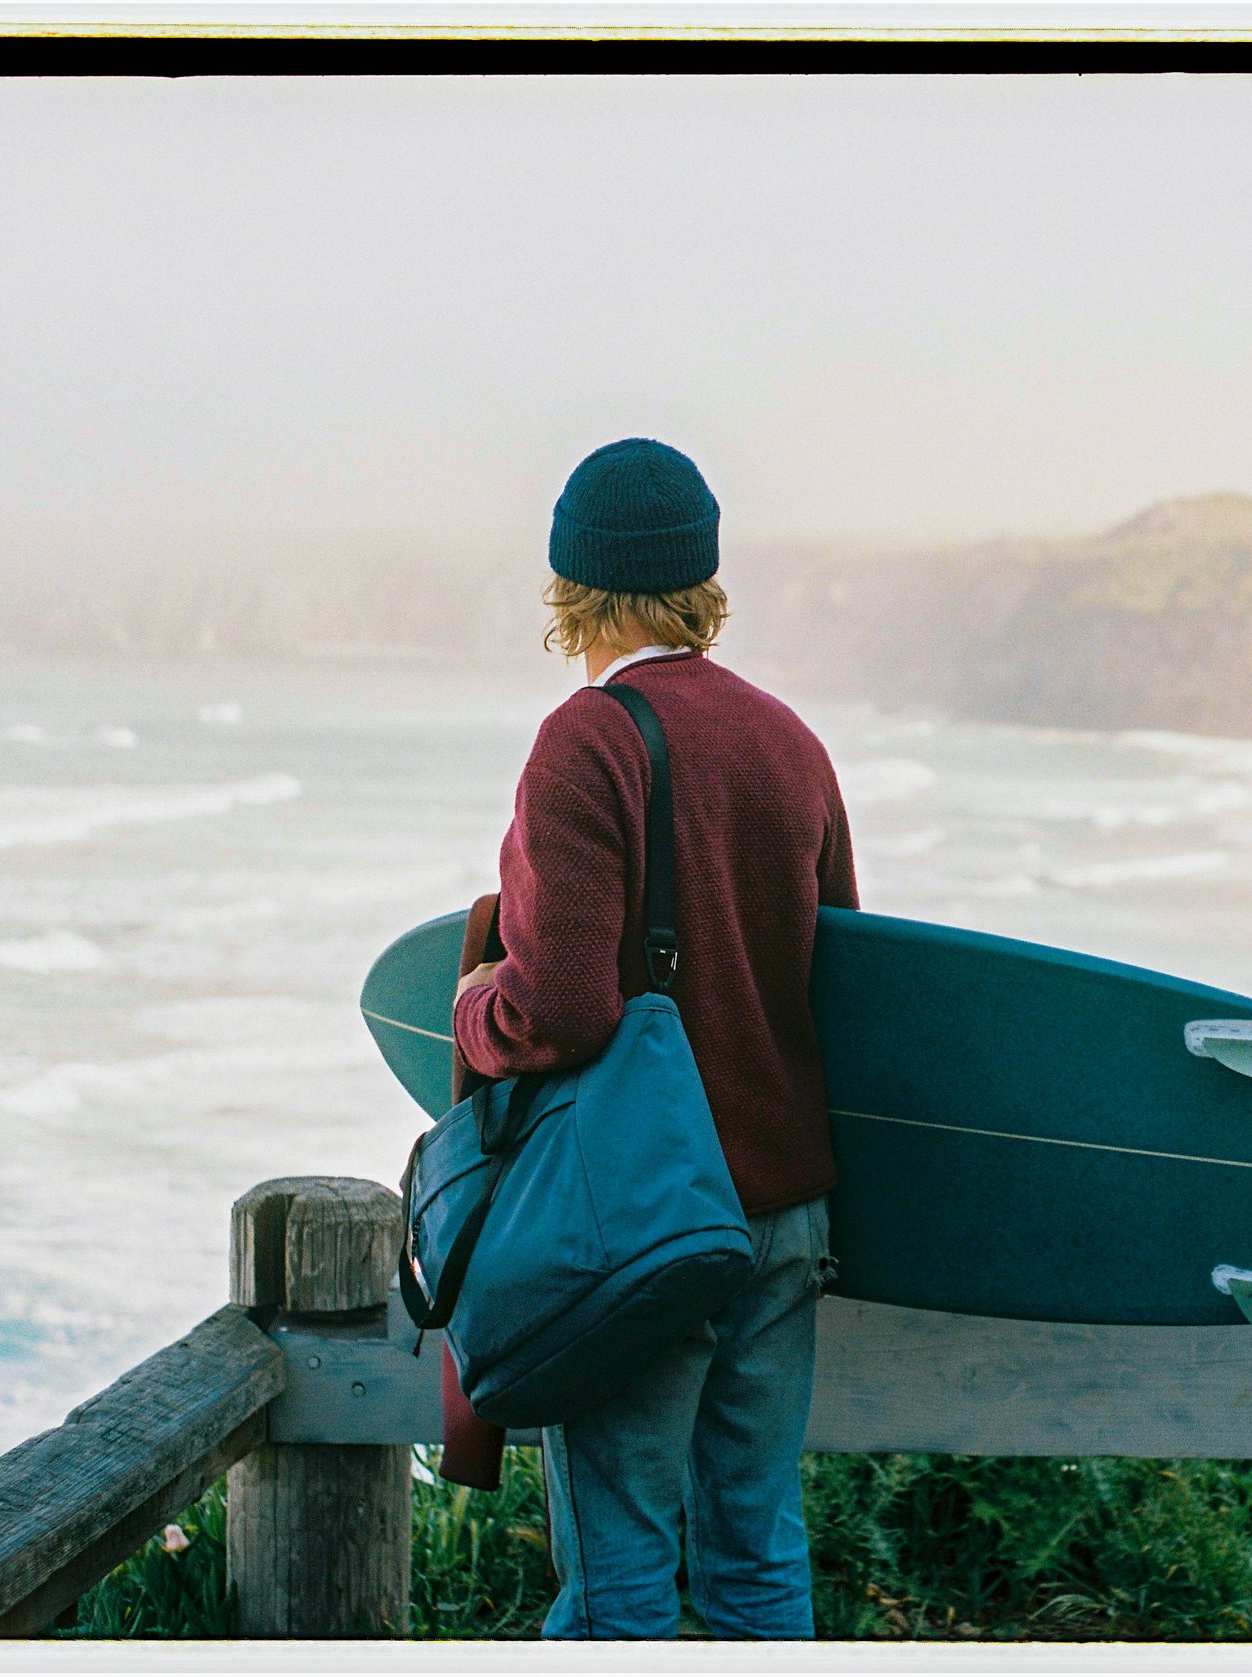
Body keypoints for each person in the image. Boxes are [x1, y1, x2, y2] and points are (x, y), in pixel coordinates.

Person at [450, 437, 858, 1640]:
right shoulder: (792, 744)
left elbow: (562, 1006)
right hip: (784, 1214)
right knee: (757, 1553)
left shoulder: (585, 741)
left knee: (621, 1578)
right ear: (700, 579)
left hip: (643, 1219)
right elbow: (843, 980)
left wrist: (472, 1004)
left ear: (570, 586)